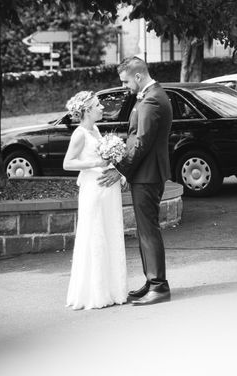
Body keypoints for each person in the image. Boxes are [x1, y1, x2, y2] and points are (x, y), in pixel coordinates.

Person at [98, 57, 173, 306]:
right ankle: (151, 281)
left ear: (138, 76)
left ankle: (159, 286)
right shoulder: (148, 95)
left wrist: (121, 170)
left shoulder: (152, 99)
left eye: (126, 81)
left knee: (149, 230)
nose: (124, 87)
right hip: (145, 172)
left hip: (148, 174)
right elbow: (135, 137)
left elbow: (142, 141)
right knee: (144, 230)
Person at [63, 91, 128, 310]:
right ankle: (94, 292)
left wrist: (117, 169)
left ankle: (111, 289)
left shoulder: (96, 129)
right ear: (88, 110)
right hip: (92, 190)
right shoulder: (80, 134)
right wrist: (95, 164)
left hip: (106, 191)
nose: (102, 107)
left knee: (108, 234)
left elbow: (104, 159)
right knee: (94, 236)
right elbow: (68, 163)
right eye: (98, 105)